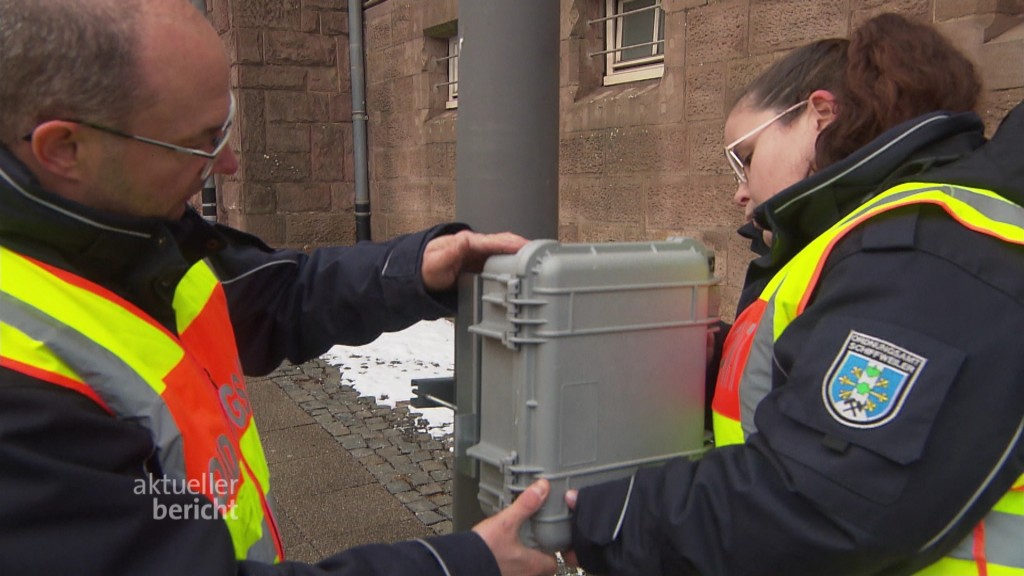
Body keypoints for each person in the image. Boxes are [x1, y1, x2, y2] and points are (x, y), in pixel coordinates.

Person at [0, 0, 557, 575]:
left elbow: (277, 297)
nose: (229, 163)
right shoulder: (17, 399)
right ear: (64, 149)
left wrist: (413, 267)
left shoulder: (133, 233)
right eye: (201, 141)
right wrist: (454, 565)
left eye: (226, 126)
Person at [566, 12, 1024, 575]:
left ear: (819, 115)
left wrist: (610, 519)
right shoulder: (860, 241)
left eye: (744, 157)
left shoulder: (930, 246)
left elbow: (827, 501)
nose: (739, 192)